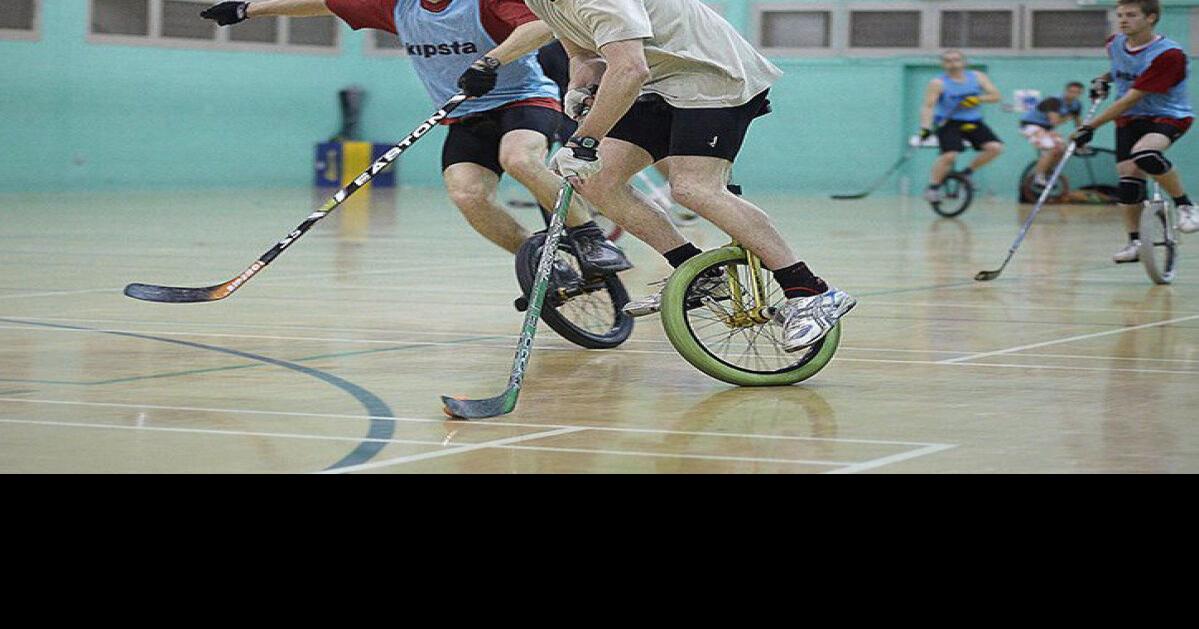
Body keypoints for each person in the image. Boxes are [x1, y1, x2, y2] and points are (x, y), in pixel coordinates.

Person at [199, 0, 632, 276]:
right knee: (467, 195)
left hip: (523, 100)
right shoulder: (394, 5)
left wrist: (490, 62)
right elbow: (324, 3)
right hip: (464, 115)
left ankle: (589, 237)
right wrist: (248, 10)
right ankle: (541, 262)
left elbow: (540, 25)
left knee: (520, 159)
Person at [523, 0, 855, 351]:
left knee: (694, 188)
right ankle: (700, 274)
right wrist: (579, 88)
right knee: (595, 180)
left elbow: (630, 68)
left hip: (710, 74)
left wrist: (585, 140)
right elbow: (585, 56)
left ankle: (810, 291)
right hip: (658, 81)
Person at [1071, 0, 1199, 265]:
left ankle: (1185, 205)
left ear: (1151, 18)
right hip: (1129, 120)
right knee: (1128, 183)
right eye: (1120, 15)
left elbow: (1131, 98)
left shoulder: (1169, 55)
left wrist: (1089, 126)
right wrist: (1103, 79)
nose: (1123, 20)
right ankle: (1135, 242)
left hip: (1167, 116)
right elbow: (1123, 70)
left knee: (1146, 154)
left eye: (1131, 15)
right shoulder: (1114, 43)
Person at [919, 50, 1004, 203]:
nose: (953, 63)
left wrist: (978, 99)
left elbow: (996, 96)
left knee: (995, 148)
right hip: (948, 122)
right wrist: (925, 127)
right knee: (950, 155)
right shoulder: (938, 83)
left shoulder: (977, 77)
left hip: (973, 121)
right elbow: (928, 106)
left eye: (956, 60)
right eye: (948, 61)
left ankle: (967, 173)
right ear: (943, 64)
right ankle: (933, 187)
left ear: (964, 62)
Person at [1020, 82, 1085, 188]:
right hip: (1030, 126)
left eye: (1077, 92)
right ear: (1065, 91)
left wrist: (1082, 136)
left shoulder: (1076, 105)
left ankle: (1047, 171)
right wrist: (1068, 117)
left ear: (1081, 93)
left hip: (1046, 128)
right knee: (1051, 147)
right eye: (1071, 91)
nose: (1073, 94)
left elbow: (1078, 123)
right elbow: (1055, 121)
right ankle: (1038, 177)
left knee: (1063, 149)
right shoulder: (1054, 101)